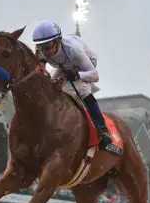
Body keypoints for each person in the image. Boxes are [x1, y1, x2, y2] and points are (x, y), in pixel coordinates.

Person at [31, 20, 117, 154]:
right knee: (49, 88)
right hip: (63, 65)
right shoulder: (41, 51)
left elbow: (95, 76)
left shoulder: (74, 50)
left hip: (82, 64)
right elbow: (40, 71)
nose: (46, 52)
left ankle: (103, 131)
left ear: (57, 41)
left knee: (83, 92)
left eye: (48, 47)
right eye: (42, 48)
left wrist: (77, 76)